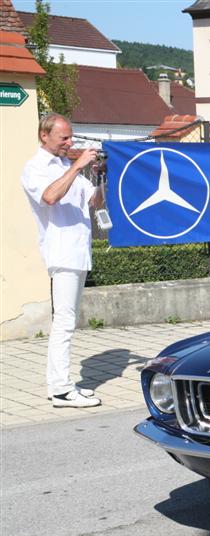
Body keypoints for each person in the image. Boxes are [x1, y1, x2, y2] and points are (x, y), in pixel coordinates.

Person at [21, 113, 103, 408]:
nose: (70, 143)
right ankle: (61, 390)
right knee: (64, 322)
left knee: (68, 320)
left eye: (71, 137)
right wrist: (77, 166)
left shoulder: (65, 165)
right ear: (45, 136)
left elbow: (95, 202)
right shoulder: (35, 168)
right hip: (62, 251)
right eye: (63, 138)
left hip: (79, 251)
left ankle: (63, 384)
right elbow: (51, 197)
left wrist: (98, 174)